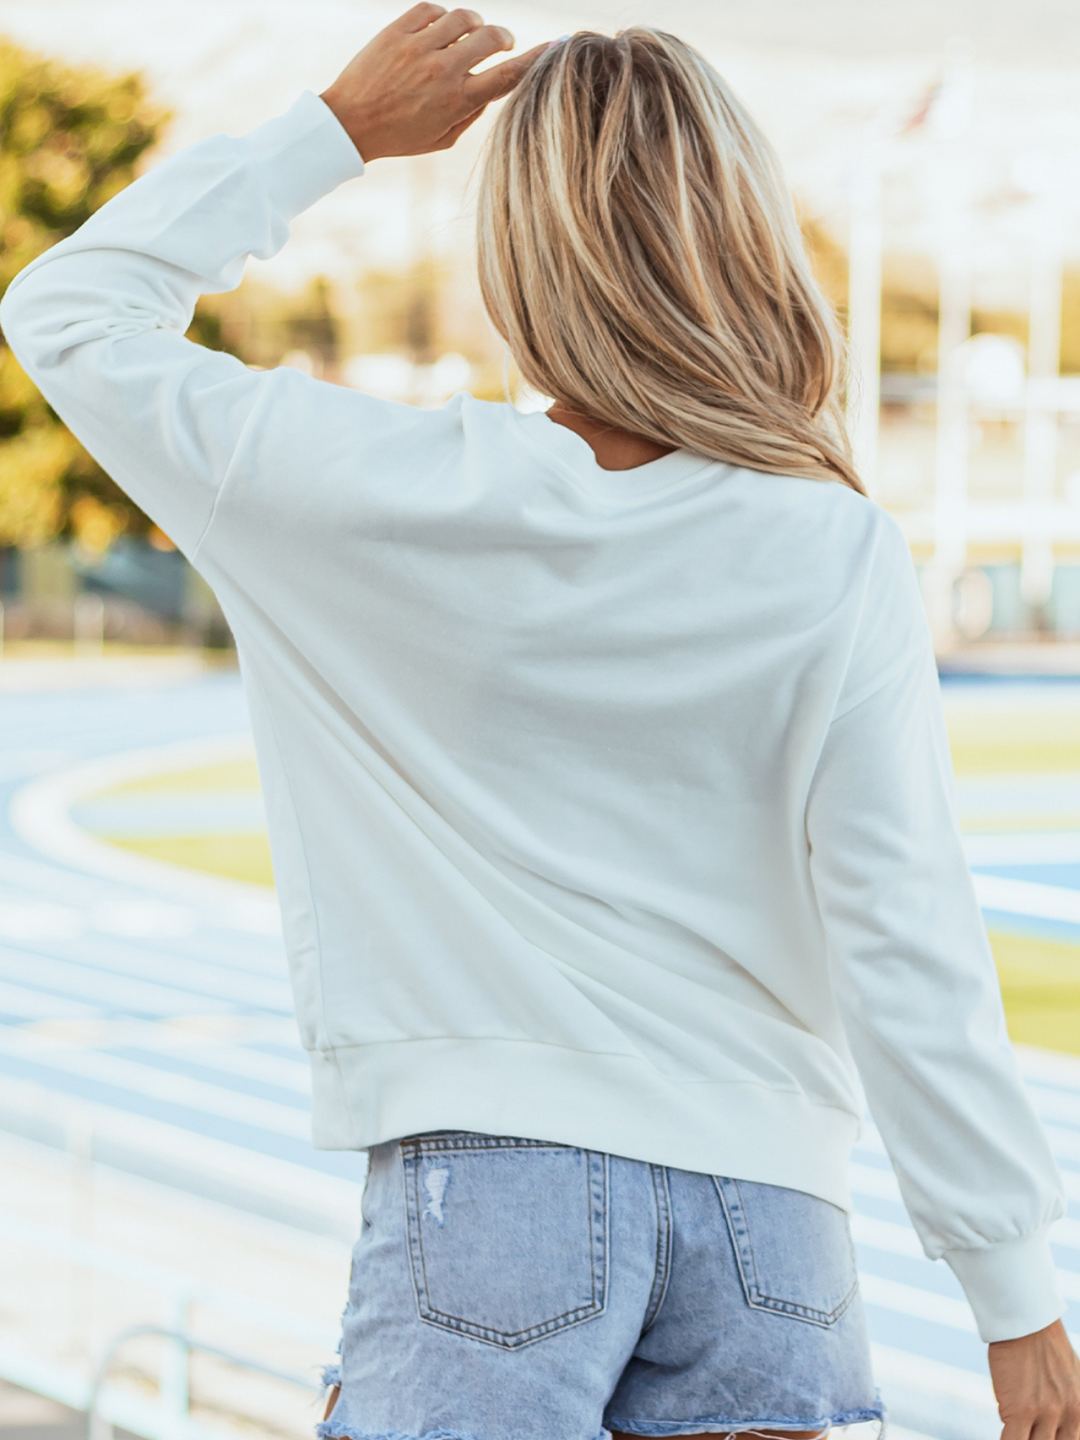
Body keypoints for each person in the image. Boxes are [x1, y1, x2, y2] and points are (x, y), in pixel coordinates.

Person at [3, 9, 1079, 1439]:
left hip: (491, 1208)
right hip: (777, 1230)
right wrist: (1017, 1303)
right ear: (737, 232)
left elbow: (67, 313)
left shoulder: (376, 490)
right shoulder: (835, 548)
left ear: (520, 251)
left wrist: (334, 130)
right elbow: (906, 931)